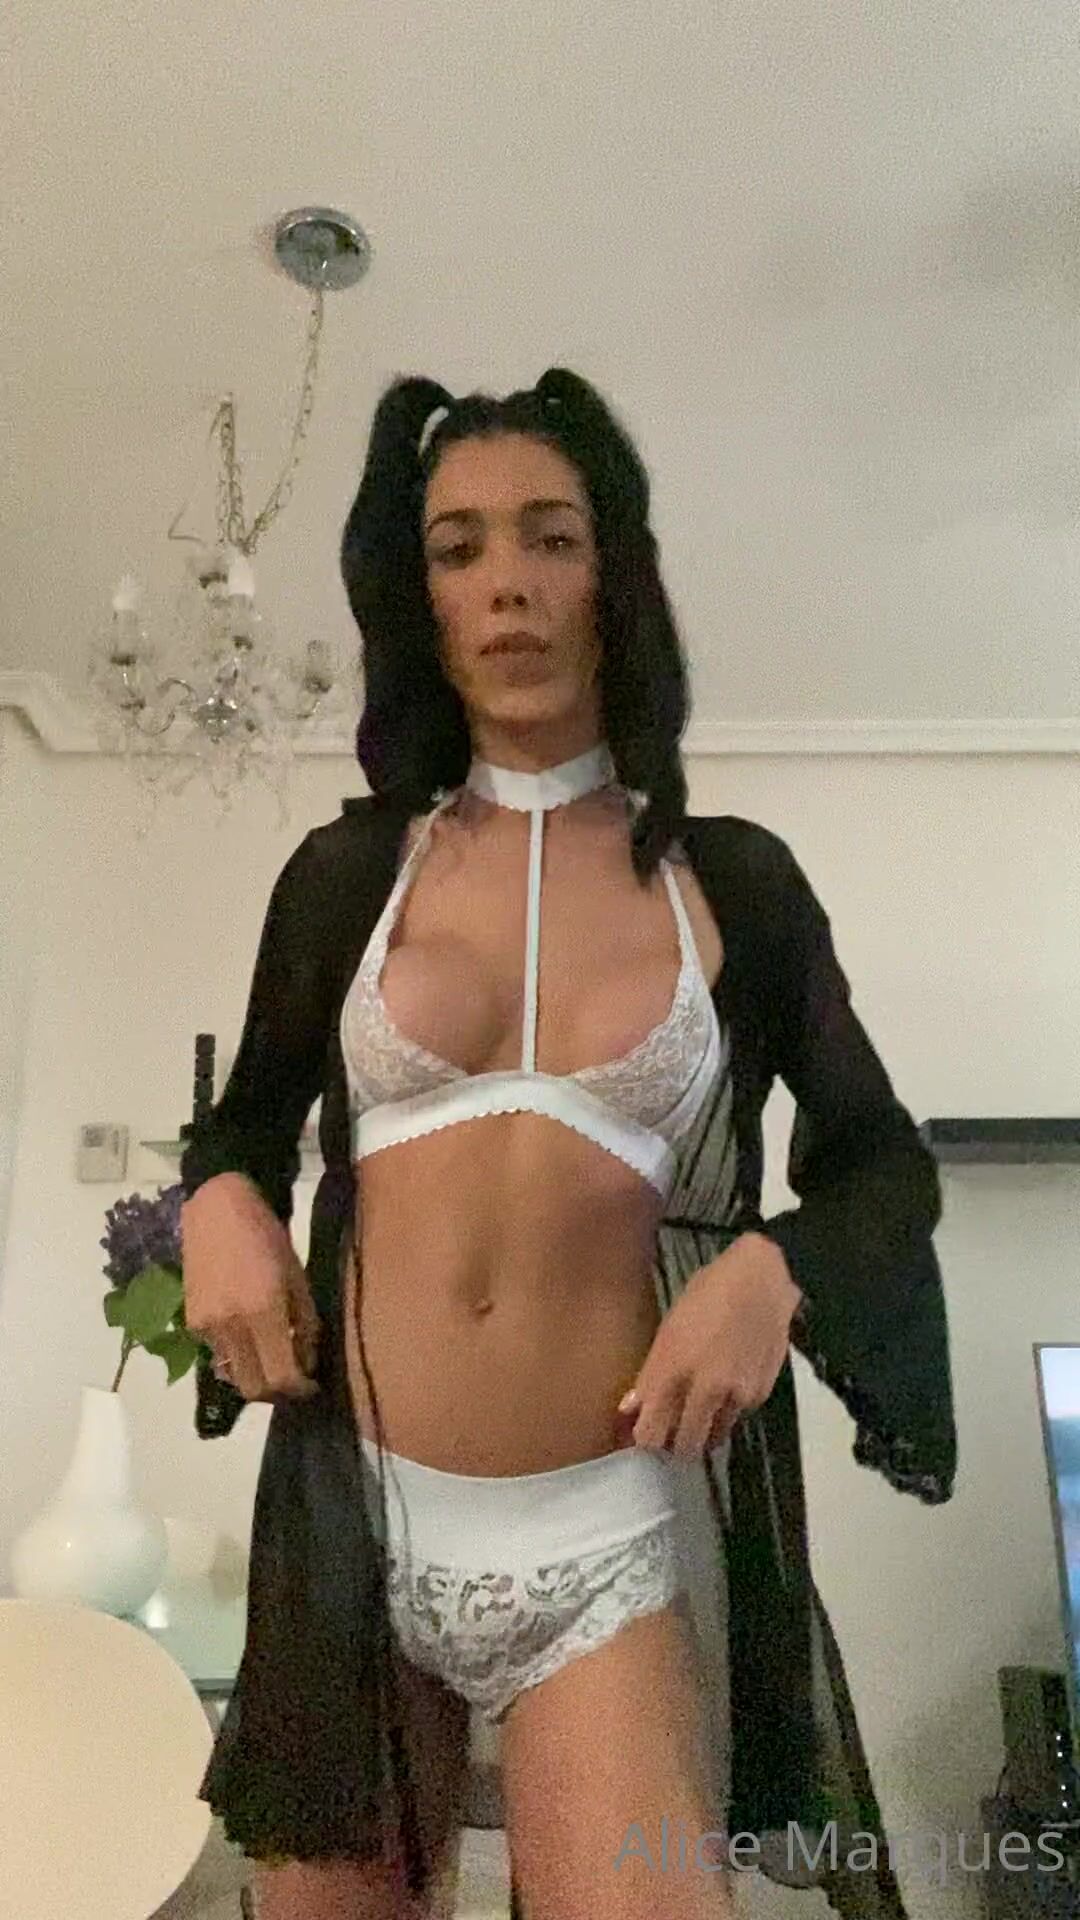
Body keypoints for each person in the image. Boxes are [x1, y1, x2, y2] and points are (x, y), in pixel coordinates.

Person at [180, 368, 957, 1920]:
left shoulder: (737, 884)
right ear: (421, 598)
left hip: (614, 1540)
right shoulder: (347, 877)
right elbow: (244, 1128)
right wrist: (218, 1201)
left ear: (614, 575)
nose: (509, 583)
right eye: (459, 547)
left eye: (552, 537)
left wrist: (775, 1270)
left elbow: (885, 1165)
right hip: (357, 1518)